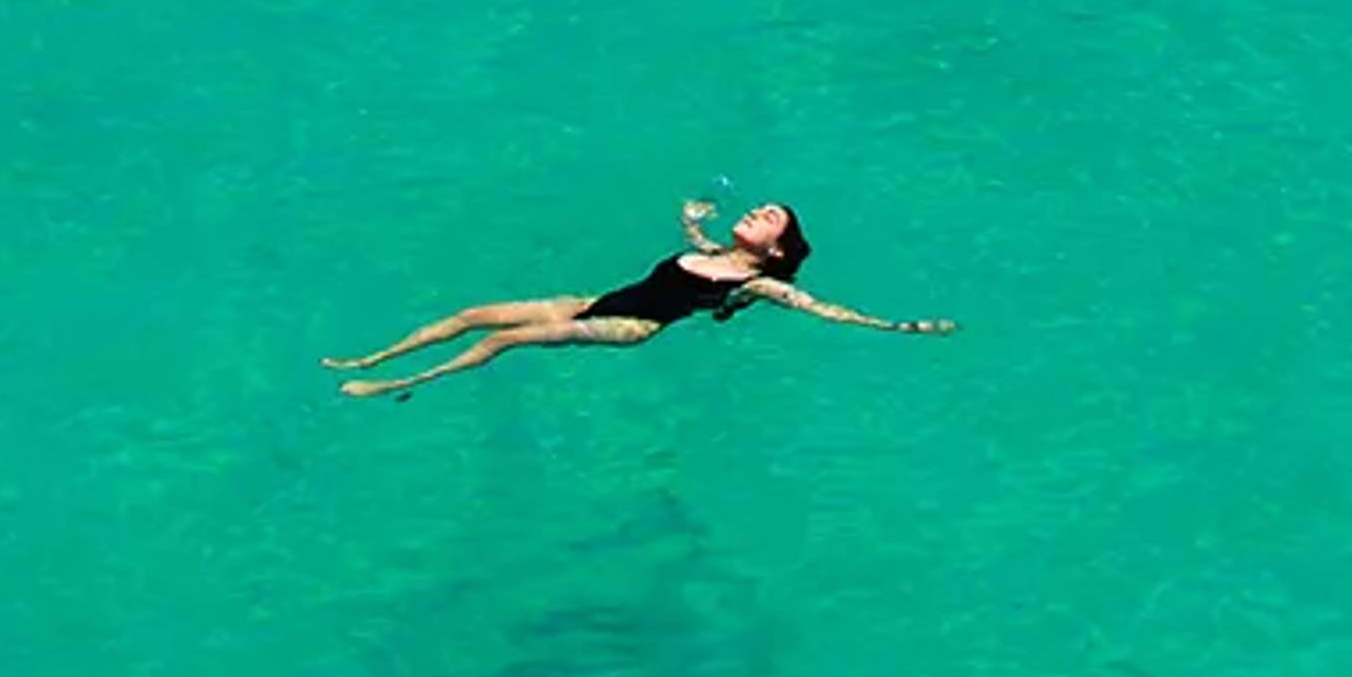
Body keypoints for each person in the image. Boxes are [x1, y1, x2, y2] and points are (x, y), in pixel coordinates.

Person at [324, 198, 954, 398]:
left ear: (777, 252)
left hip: (633, 323)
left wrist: (900, 327)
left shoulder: (756, 281)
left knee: (504, 339)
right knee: (471, 315)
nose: (758, 212)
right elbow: (693, 252)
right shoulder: (712, 253)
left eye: (770, 219)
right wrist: (688, 221)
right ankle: (370, 361)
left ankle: (400, 384)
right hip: (597, 298)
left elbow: (822, 309)